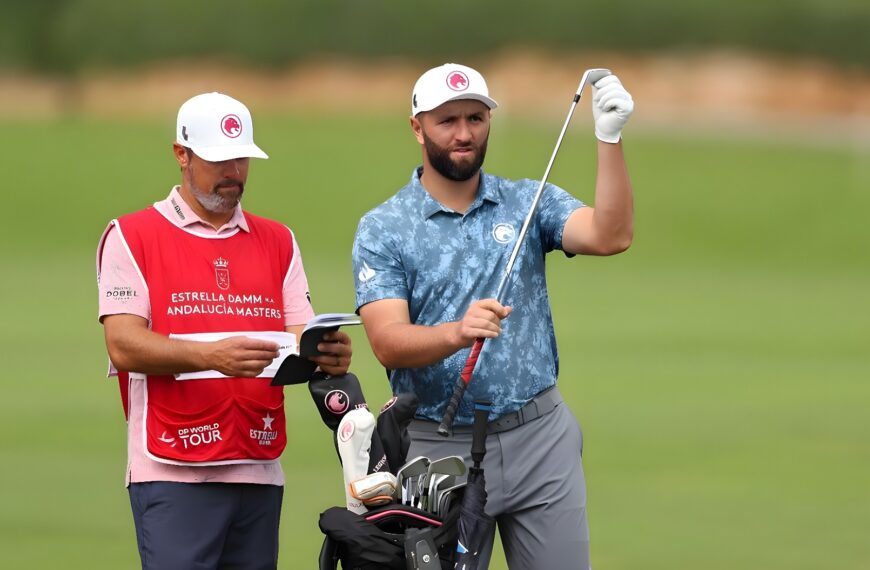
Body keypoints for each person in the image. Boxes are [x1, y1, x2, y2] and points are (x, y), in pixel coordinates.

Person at [352, 63, 634, 569]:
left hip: (539, 436)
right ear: (417, 127)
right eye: (448, 121)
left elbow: (609, 236)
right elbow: (387, 341)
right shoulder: (384, 228)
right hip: (437, 447)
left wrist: (608, 139)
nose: (464, 133)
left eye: (476, 118)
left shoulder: (528, 201)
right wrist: (456, 332)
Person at [96, 92, 352, 570]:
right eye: (219, 159)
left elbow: (299, 333)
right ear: (182, 155)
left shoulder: (278, 239)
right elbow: (123, 343)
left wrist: (326, 352)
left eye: (242, 158)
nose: (233, 171)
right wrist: (212, 357)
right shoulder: (131, 235)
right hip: (173, 471)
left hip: (258, 463)